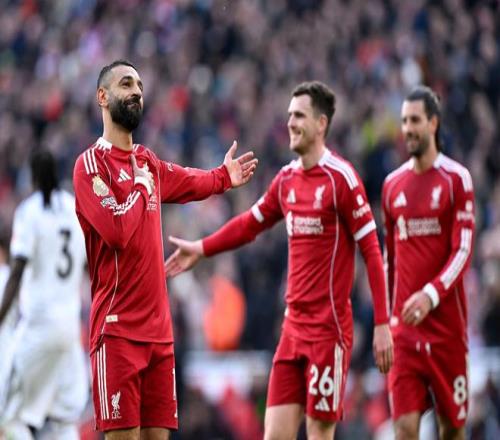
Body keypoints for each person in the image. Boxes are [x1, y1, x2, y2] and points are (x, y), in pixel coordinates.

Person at [165, 81, 394, 440]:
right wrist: (202, 248)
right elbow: (249, 224)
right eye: (289, 115)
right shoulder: (287, 179)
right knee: (274, 434)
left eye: (299, 115)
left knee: (319, 433)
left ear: (321, 123)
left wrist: (381, 324)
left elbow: (371, 252)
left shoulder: (342, 180)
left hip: (328, 330)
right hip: (292, 330)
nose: (290, 122)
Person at [72, 59, 257, 440]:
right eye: (126, 84)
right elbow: (117, 231)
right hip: (117, 334)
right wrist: (141, 187)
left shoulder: (147, 162)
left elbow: (188, 181)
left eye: (140, 86)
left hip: (159, 337)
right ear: (102, 97)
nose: (137, 92)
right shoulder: (90, 166)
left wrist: (223, 178)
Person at [382, 86, 475, 440]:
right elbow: (389, 260)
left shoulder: (456, 180)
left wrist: (430, 295)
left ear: (433, 123)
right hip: (405, 332)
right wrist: (385, 320)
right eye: (404, 121)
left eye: (415, 120)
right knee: (404, 429)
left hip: (446, 330)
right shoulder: (392, 185)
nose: (407, 128)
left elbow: (462, 250)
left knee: (452, 429)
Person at [0, 150, 89, 440]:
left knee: (8, 415)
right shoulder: (74, 207)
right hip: (69, 331)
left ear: (34, 178)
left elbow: (17, 272)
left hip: (37, 329)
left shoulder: (30, 212)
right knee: (64, 420)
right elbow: (88, 264)